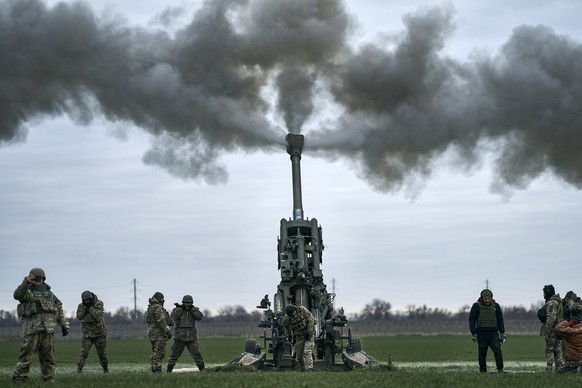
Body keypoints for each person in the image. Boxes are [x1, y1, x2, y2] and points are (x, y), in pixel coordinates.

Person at [12, 268, 70, 383]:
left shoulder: (50, 294)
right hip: (32, 330)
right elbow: (17, 295)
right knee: (26, 355)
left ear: (43, 279)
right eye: (35, 278)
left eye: (39, 278)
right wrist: (26, 282)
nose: (37, 281)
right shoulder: (28, 292)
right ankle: (19, 377)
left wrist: (64, 324)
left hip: (48, 330)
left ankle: (49, 378)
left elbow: (59, 308)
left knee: (48, 357)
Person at [468, 289, 506, 373]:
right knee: (482, 353)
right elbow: (472, 320)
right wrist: (473, 333)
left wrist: (502, 332)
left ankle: (500, 369)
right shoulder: (476, 306)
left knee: (497, 350)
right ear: (482, 298)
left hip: (493, 334)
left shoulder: (496, 306)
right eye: (485, 298)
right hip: (481, 334)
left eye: (488, 298)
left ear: (491, 298)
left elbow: (500, 320)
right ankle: (482, 370)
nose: (487, 300)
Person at [167, 295, 205, 372]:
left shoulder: (193, 311)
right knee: (174, 355)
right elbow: (172, 316)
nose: (187, 304)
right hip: (179, 337)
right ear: (183, 303)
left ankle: (203, 370)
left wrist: (194, 310)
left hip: (191, 337)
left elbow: (200, 317)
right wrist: (178, 310)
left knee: (197, 354)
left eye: (189, 303)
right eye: (186, 303)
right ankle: (168, 371)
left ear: (191, 303)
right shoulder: (178, 310)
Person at [75, 290, 109, 373]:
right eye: (84, 300)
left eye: (88, 300)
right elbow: (79, 317)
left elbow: (98, 316)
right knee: (84, 352)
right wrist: (84, 309)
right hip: (87, 334)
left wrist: (90, 308)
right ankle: (79, 368)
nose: (86, 301)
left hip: (99, 333)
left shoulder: (99, 304)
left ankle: (105, 368)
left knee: (102, 354)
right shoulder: (81, 306)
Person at [283, 304, 316, 372]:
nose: (294, 315)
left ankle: (309, 369)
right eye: (292, 315)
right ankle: (303, 369)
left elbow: (311, 320)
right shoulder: (287, 318)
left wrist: (309, 332)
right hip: (299, 336)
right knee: (299, 355)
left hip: (309, 334)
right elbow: (285, 326)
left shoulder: (303, 310)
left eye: (294, 313)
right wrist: (289, 335)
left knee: (307, 351)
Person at [146, 292, 174, 373]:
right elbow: (161, 321)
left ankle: (154, 369)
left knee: (155, 352)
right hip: (159, 334)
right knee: (159, 353)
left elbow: (170, 322)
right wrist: (167, 331)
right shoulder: (158, 307)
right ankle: (157, 370)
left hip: (152, 334)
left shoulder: (150, 307)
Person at [540, 284, 564, 372]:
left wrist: (547, 332)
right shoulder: (558, 302)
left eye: (544, 293)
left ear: (547, 293)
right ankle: (559, 368)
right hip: (558, 329)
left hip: (552, 330)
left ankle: (549, 368)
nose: (543, 295)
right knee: (557, 349)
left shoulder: (551, 303)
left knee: (549, 349)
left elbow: (551, 318)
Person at [555, 304, 582, 373]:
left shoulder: (570, 331)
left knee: (559, 372)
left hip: (574, 360)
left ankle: (577, 370)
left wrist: (568, 321)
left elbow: (558, 329)